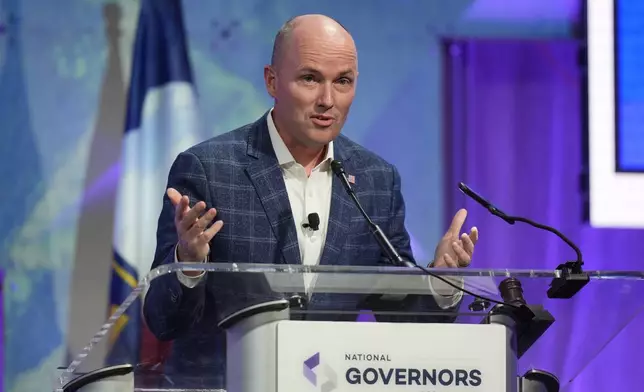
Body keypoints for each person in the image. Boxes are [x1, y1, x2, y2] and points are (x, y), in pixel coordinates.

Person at [142, 14, 478, 387]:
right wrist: (188, 266)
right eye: (310, 78)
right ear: (272, 81)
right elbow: (163, 319)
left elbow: (401, 317)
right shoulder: (209, 169)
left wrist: (441, 281)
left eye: (343, 82)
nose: (327, 100)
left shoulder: (375, 180)